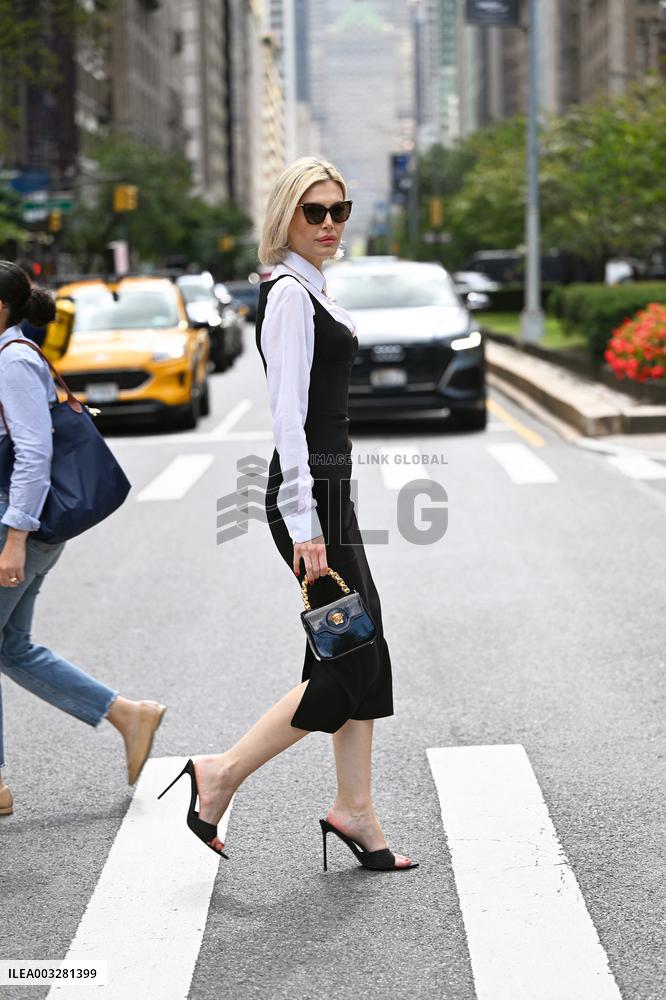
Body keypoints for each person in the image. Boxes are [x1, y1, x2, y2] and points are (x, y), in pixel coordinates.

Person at [158, 157, 418, 872]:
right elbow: (285, 421)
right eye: (315, 212)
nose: (330, 224)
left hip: (331, 488)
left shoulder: (312, 289)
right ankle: (222, 773)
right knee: (356, 651)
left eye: (340, 210)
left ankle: (356, 811)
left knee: (351, 648)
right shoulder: (289, 299)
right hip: (310, 495)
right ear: (285, 217)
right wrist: (306, 523)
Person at [0, 261, 165, 818]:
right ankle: (126, 715)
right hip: (24, 525)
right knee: (11, 647)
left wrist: (14, 537)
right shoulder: (16, 354)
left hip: (17, 524)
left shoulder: (12, 360)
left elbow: (33, 453)